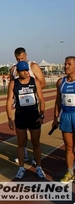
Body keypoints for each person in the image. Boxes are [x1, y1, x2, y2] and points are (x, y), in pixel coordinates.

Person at [6, 61, 46, 179]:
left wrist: (41, 115)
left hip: (33, 115)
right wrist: (9, 118)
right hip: (20, 115)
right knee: (21, 143)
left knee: (36, 142)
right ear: (18, 72)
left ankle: (38, 167)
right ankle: (21, 168)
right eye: (23, 71)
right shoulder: (13, 84)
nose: (26, 73)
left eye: (27, 70)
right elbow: (9, 101)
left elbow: (42, 100)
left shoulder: (35, 82)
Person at [52, 56, 75, 184]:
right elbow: (57, 101)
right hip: (66, 115)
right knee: (69, 147)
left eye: (69, 64)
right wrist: (56, 117)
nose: (66, 66)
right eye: (65, 64)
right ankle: (70, 172)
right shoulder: (61, 82)